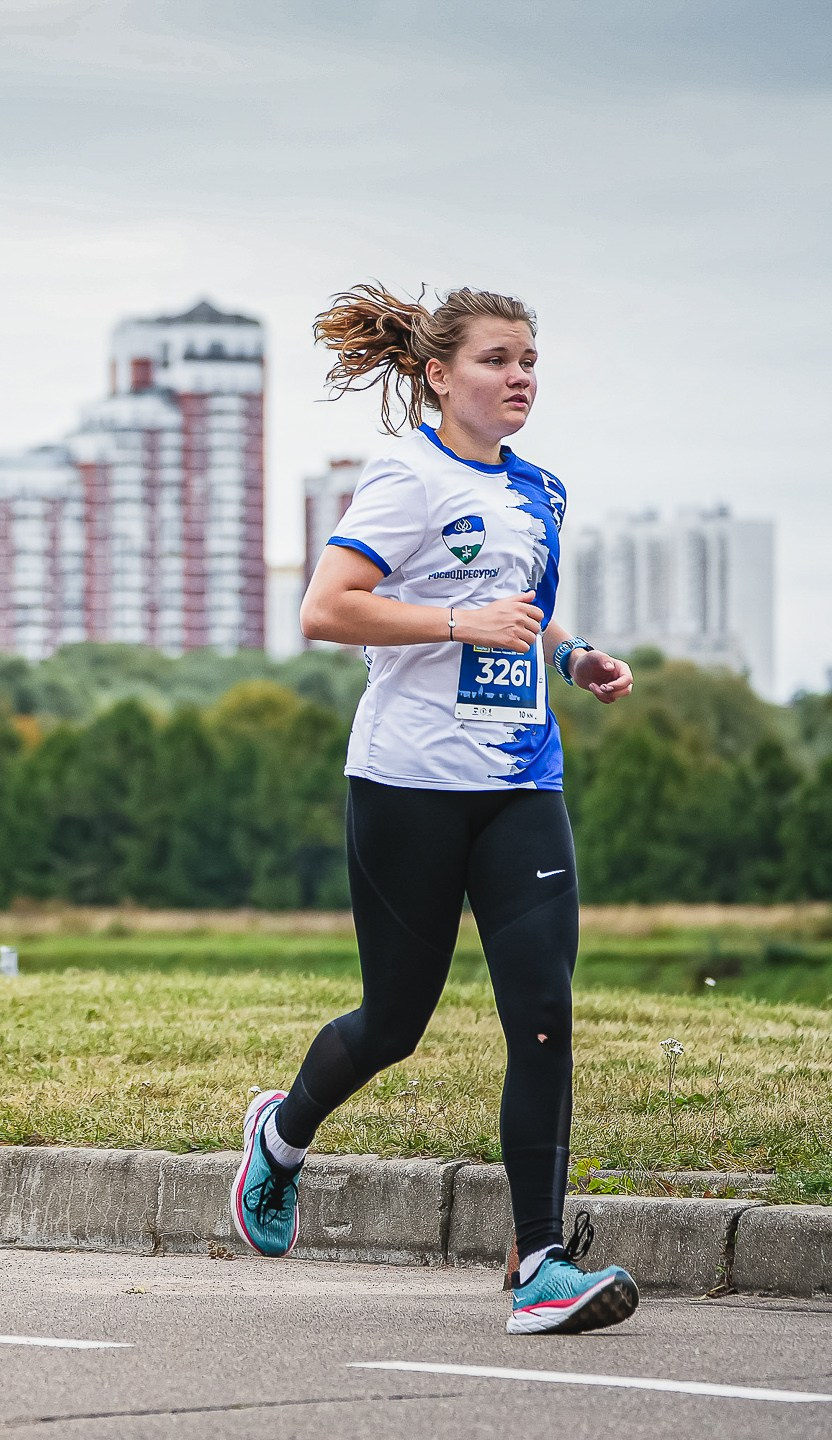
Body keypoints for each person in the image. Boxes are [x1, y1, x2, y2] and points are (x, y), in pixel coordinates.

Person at [228, 286, 639, 1336]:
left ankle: (541, 1260)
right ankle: (282, 1136)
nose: (520, 377)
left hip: (519, 783)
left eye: (531, 361)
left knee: (542, 1012)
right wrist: (459, 621)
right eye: (499, 359)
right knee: (395, 1022)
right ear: (438, 375)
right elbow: (327, 608)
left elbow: (522, 612)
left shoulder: (542, 488)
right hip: (409, 784)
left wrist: (570, 653)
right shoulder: (407, 476)